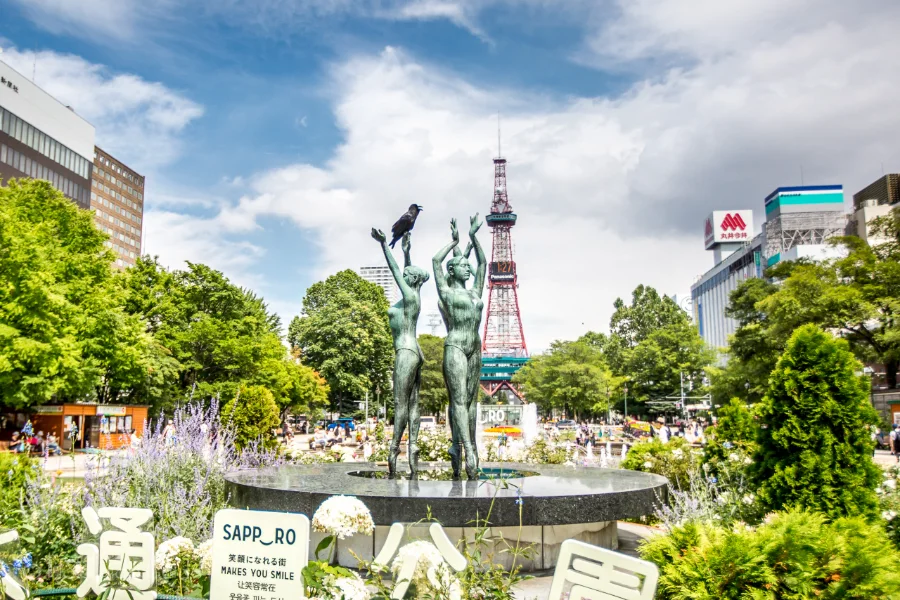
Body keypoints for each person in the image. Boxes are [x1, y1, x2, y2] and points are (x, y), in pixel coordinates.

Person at [372, 228, 431, 479]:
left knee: (400, 405)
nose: (404, 276)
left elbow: (397, 271)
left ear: (412, 280)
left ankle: (394, 449)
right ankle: (413, 450)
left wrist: (384, 244)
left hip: (405, 352)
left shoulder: (409, 295)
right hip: (414, 351)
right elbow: (406, 270)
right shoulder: (413, 296)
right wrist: (407, 252)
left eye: (408, 276)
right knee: (413, 404)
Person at [433, 215, 487, 480]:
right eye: (463, 266)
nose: (468, 269)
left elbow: (483, 263)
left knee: (471, 403)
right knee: (459, 401)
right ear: (452, 271)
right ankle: (467, 451)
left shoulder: (475, 292)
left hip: (475, 347)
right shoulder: (446, 293)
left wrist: (473, 237)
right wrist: (454, 242)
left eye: (468, 265)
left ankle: (463, 446)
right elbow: (435, 261)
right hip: (455, 346)